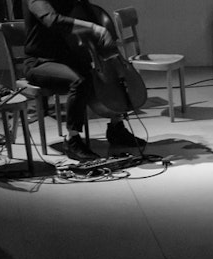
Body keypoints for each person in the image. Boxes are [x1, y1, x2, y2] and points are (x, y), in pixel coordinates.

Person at [23, 0, 147, 161]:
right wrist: (94, 28)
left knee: (105, 78)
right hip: (40, 62)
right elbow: (52, 20)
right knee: (79, 81)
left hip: (67, 58)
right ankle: (72, 140)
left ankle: (117, 128)